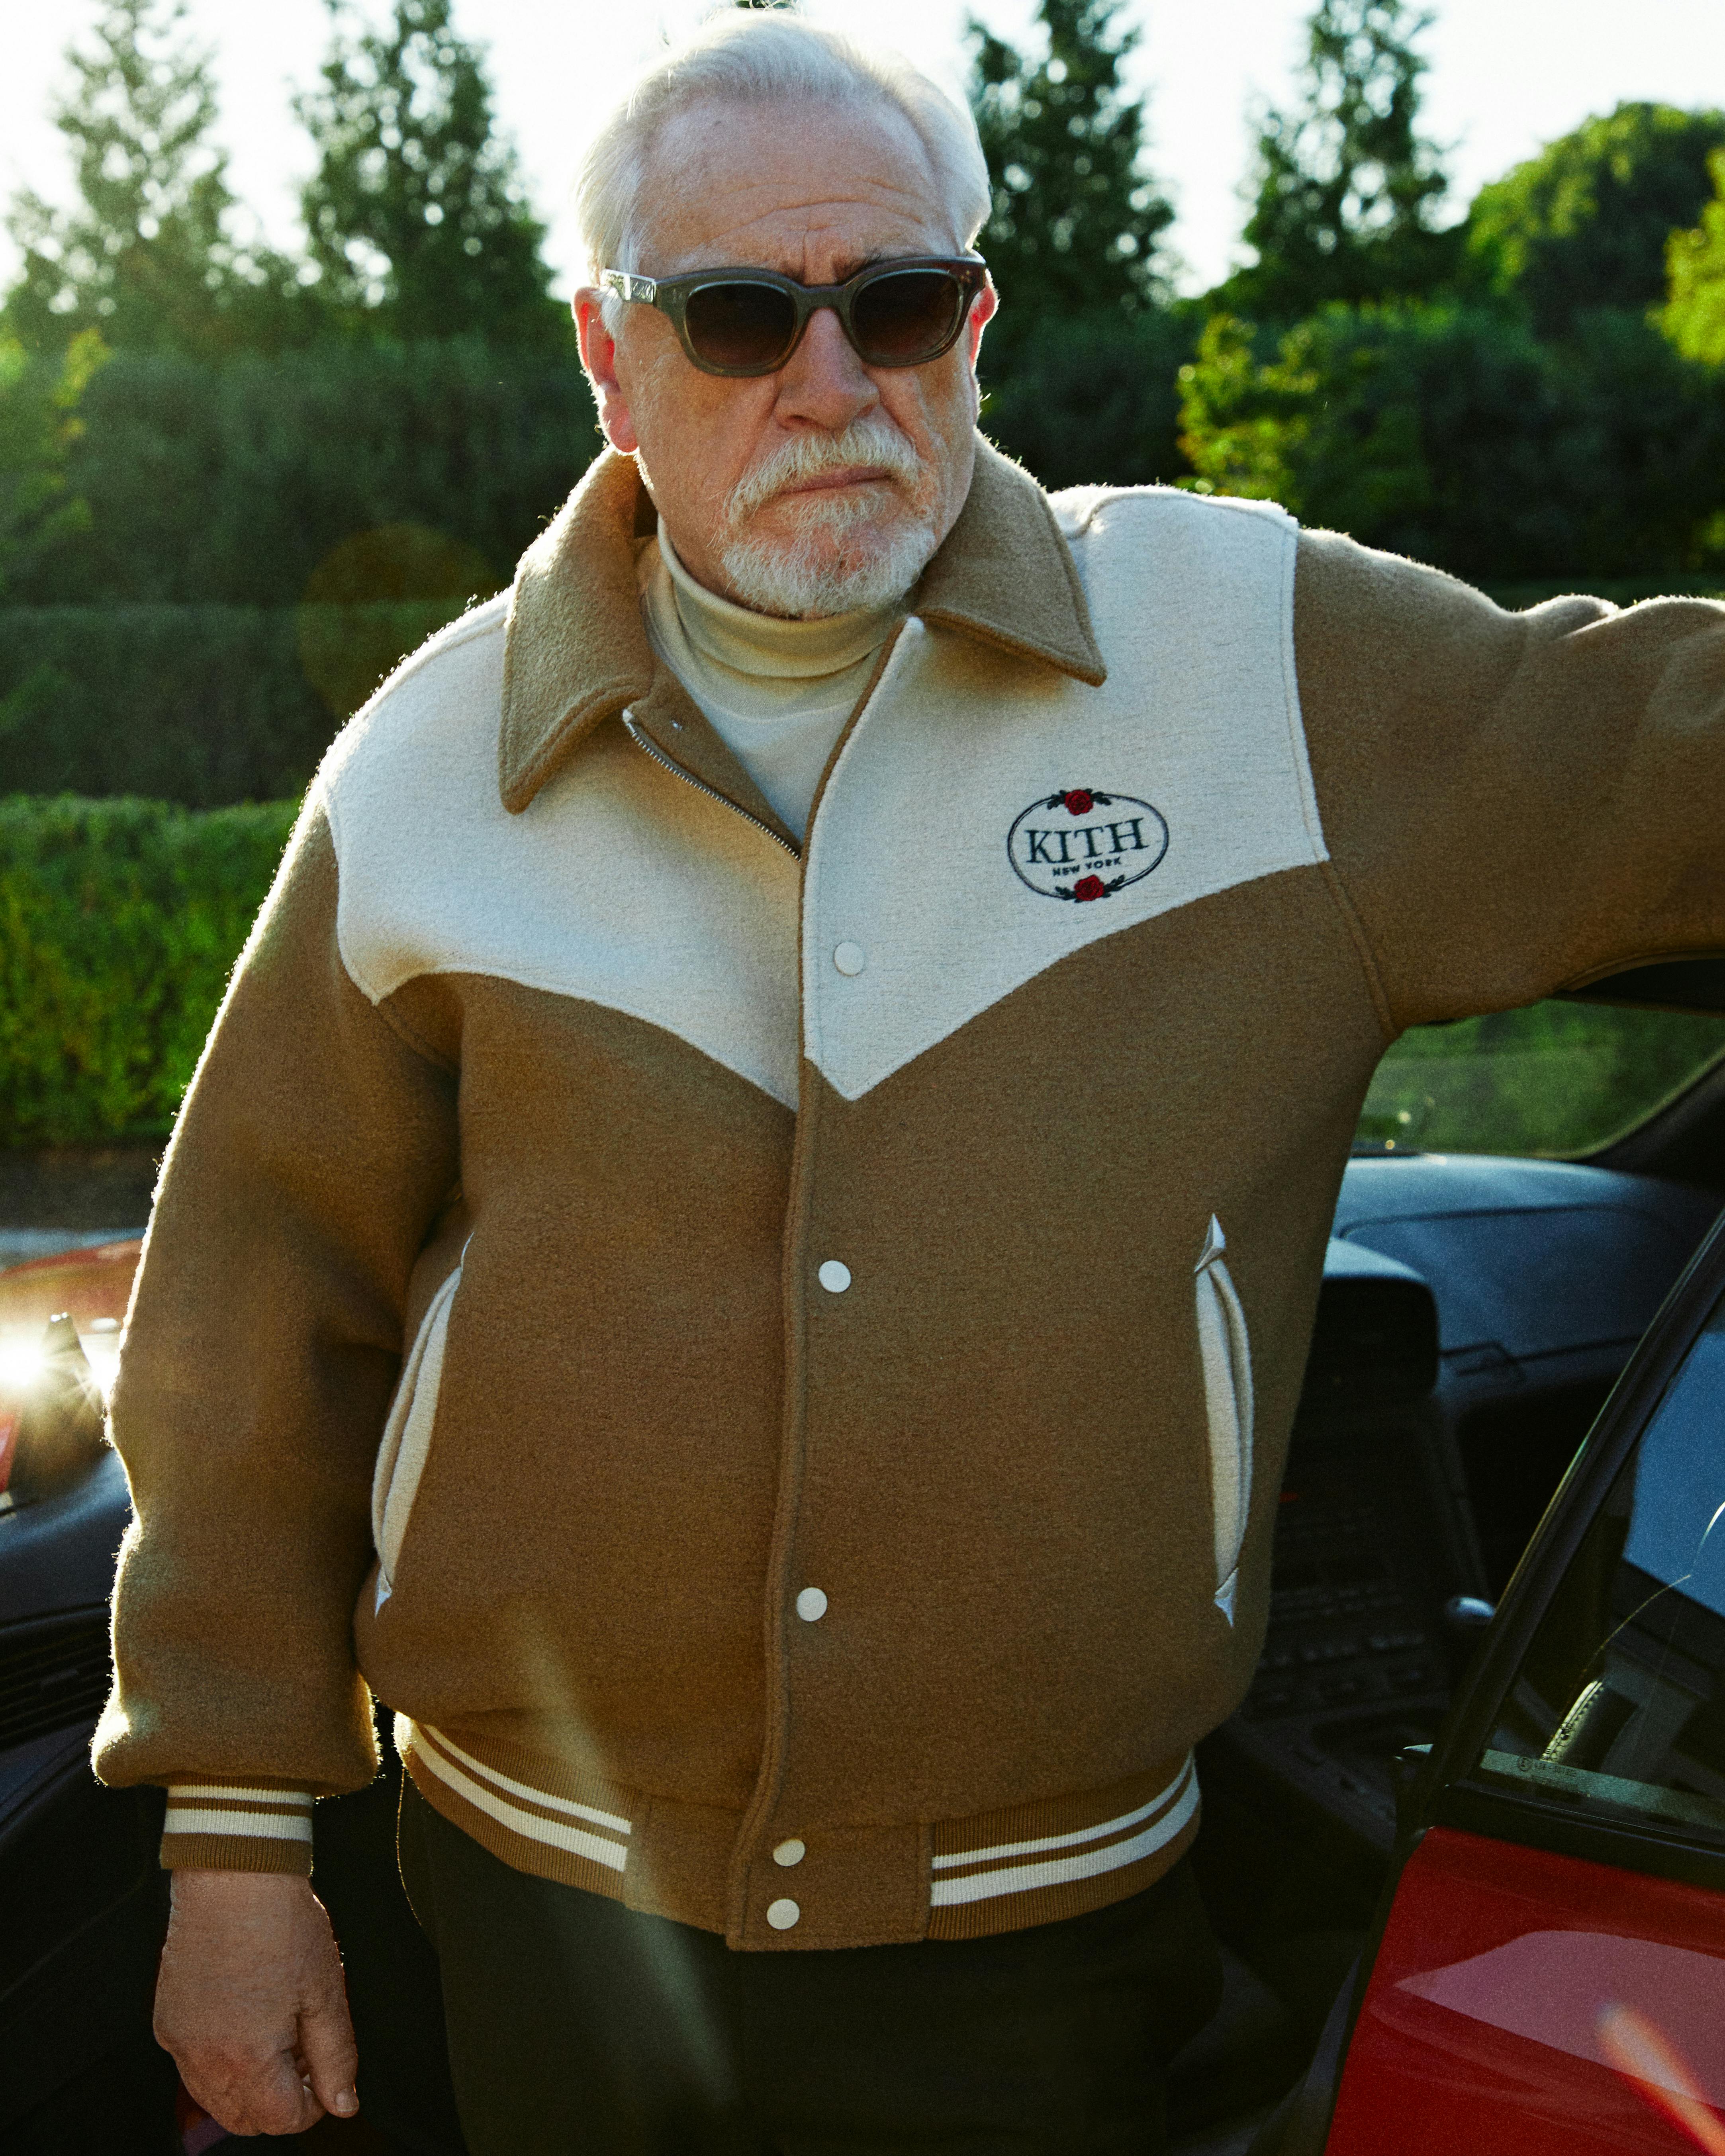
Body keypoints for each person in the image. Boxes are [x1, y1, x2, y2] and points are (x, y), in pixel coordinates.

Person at [97, 12, 1725, 2153]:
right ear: (606, 356)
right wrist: (238, 1847)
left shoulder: (1259, 660)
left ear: (980, 314)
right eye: (742, 315)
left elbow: (1659, 758)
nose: (834, 380)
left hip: (1048, 1947)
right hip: (533, 1913)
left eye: (901, 303)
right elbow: (247, 1318)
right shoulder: (435, 758)